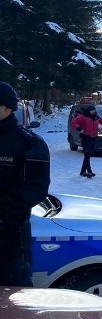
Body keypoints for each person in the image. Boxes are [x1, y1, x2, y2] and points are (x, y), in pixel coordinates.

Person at [0, 82, 50, 286]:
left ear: (7, 107)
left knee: (11, 302)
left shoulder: (29, 143)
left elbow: (35, 189)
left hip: (9, 241)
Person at [71, 104, 102, 177]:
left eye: (94, 110)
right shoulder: (83, 117)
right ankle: (89, 171)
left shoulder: (96, 117)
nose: (93, 112)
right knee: (87, 154)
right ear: (89, 111)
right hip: (85, 137)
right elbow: (73, 122)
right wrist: (79, 129)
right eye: (92, 111)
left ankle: (83, 171)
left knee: (88, 154)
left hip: (94, 137)